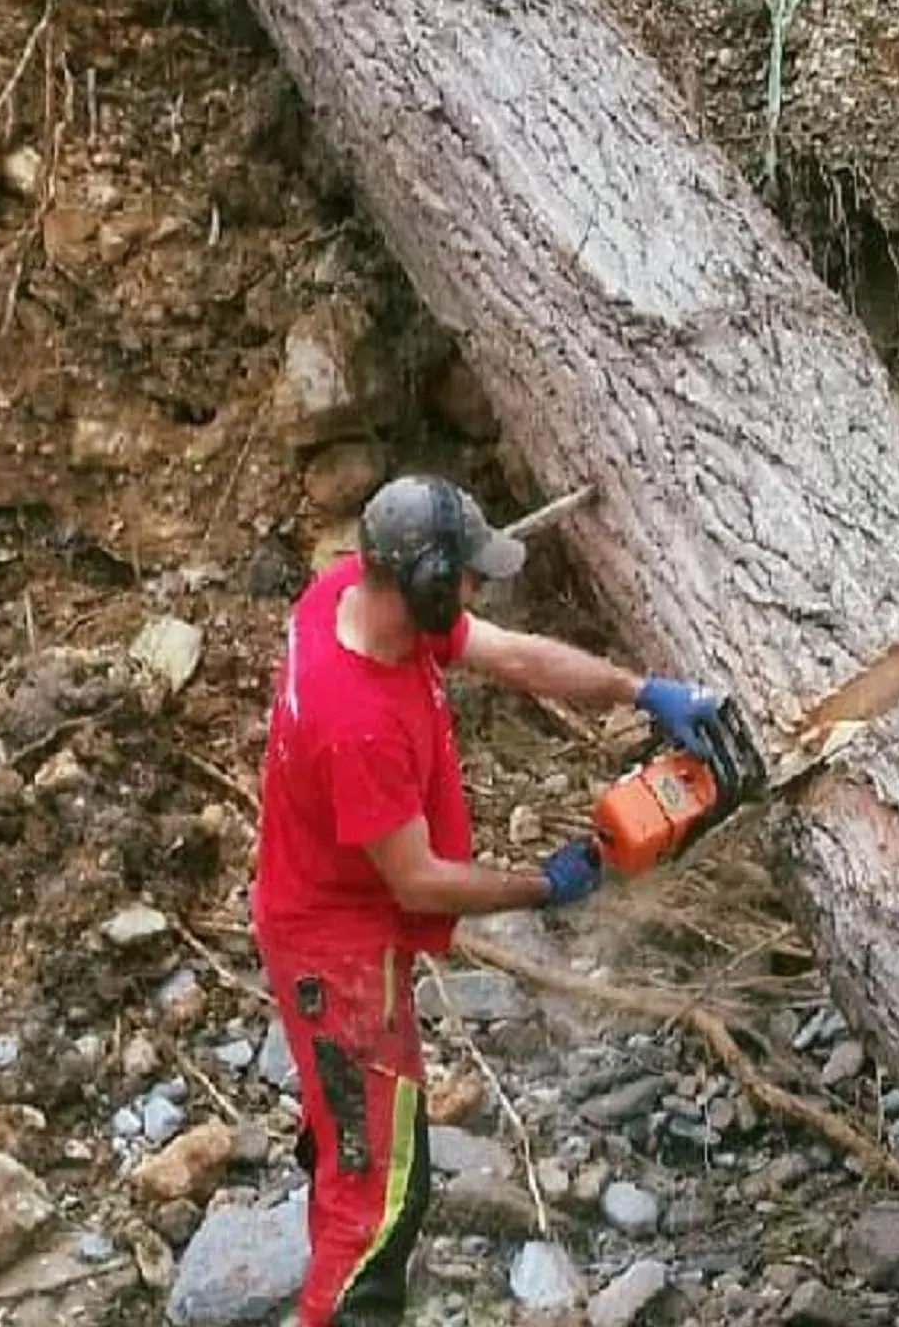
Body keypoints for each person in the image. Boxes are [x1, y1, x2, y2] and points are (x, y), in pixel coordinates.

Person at [248, 471, 721, 1326]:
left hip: (325, 915)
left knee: (362, 1157)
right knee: (381, 1203)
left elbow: (512, 655)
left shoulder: (348, 598)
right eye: (466, 575)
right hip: (338, 957)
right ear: (426, 581)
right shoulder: (354, 719)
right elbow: (420, 880)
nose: (476, 588)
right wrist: (545, 886)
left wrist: (639, 691)